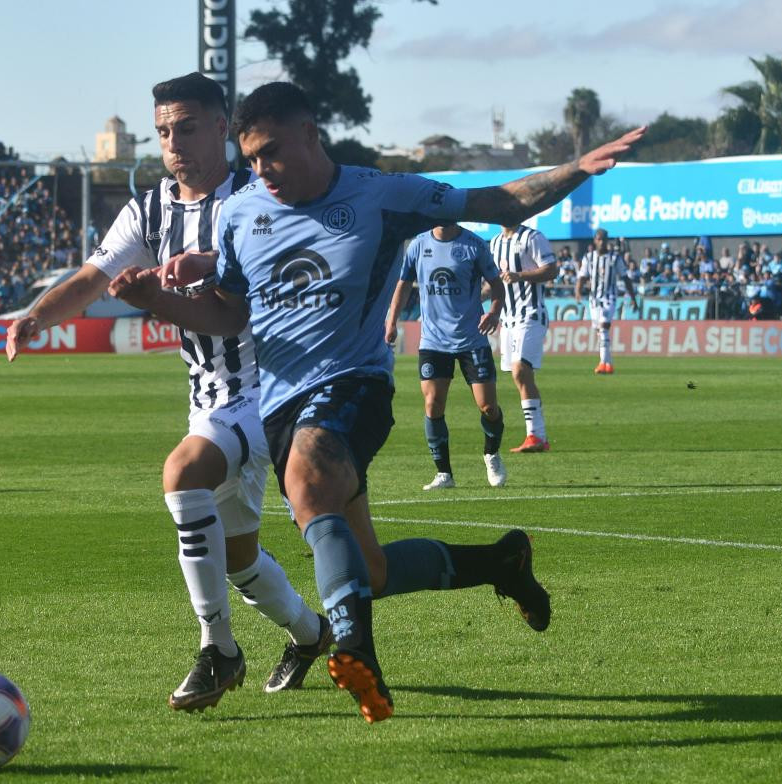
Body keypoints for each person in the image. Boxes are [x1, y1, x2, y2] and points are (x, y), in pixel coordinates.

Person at [109, 81, 643, 723]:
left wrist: (575, 171)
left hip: (354, 384)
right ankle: (504, 561)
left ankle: (355, 650)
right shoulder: (242, 215)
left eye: (272, 151)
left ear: (311, 133)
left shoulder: (381, 193)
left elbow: (498, 201)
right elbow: (228, 313)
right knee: (372, 570)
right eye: (250, 158)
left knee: (309, 477)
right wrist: (157, 302)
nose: (261, 170)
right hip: (281, 407)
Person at [5, 73, 330, 713]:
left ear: (220, 129)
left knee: (182, 474)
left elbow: (234, 316)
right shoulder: (149, 209)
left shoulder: (256, 200)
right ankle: (313, 633)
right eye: (162, 132)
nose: (172, 143)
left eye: (184, 128)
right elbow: (92, 276)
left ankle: (219, 651)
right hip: (208, 396)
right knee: (238, 560)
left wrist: (156, 299)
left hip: (269, 391)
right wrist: (36, 316)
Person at [384, 222, 508, 490]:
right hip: (433, 341)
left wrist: (494, 312)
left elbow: (498, 286)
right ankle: (444, 474)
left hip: (472, 338)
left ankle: (491, 453)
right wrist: (392, 321)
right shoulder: (418, 245)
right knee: (433, 404)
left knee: (488, 406)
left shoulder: (473, 245)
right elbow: (403, 285)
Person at [488, 223, 558, 453]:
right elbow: (494, 283)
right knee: (522, 377)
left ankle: (536, 436)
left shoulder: (533, 237)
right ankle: (537, 436)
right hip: (508, 319)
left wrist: (521, 275)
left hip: (531, 313)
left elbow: (551, 270)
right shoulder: (495, 243)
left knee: (520, 370)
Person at [576, 228, 638, 374]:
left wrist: (633, 298)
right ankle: (607, 363)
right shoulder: (589, 258)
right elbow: (582, 276)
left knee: (604, 326)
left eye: (604, 239)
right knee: (599, 331)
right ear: (595, 240)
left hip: (609, 297)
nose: (602, 242)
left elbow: (625, 277)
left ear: (607, 240)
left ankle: (603, 363)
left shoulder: (615, 258)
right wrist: (577, 291)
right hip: (594, 299)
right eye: (599, 239)